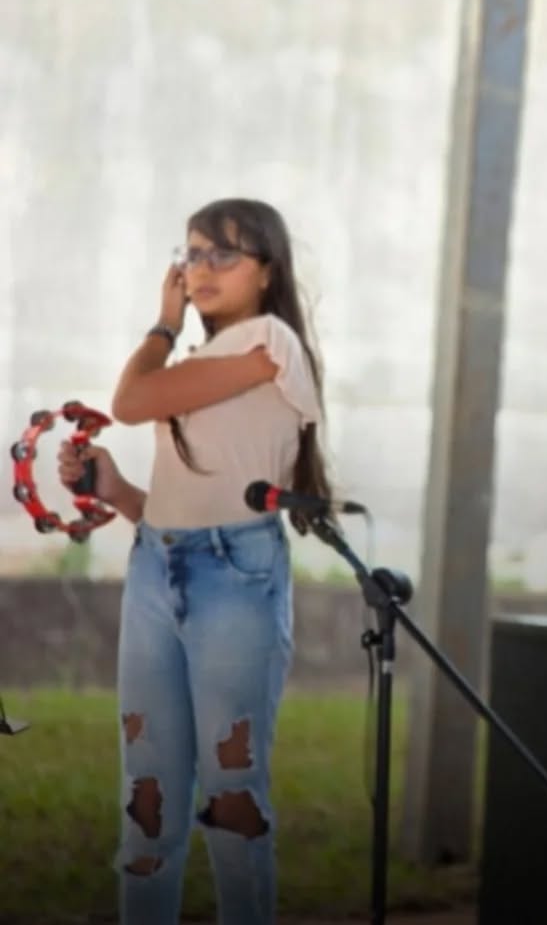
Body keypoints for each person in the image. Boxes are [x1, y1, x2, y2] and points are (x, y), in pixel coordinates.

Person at [58, 198, 328, 925]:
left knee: (232, 799)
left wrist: (163, 322)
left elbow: (130, 399)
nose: (201, 269)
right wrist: (115, 490)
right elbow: (181, 506)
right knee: (146, 800)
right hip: (159, 565)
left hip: (236, 578)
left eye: (224, 255)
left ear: (267, 272)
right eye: (193, 253)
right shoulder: (206, 366)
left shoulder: (269, 342)